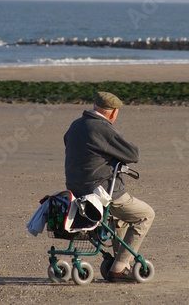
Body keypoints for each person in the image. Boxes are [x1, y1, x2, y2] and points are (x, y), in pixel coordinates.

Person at [64, 91, 155, 282]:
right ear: (113, 112)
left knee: (119, 220)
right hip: (103, 193)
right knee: (146, 214)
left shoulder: (75, 126)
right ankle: (119, 267)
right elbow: (133, 154)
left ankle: (120, 264)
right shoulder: (102, 128)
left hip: (77, 191)